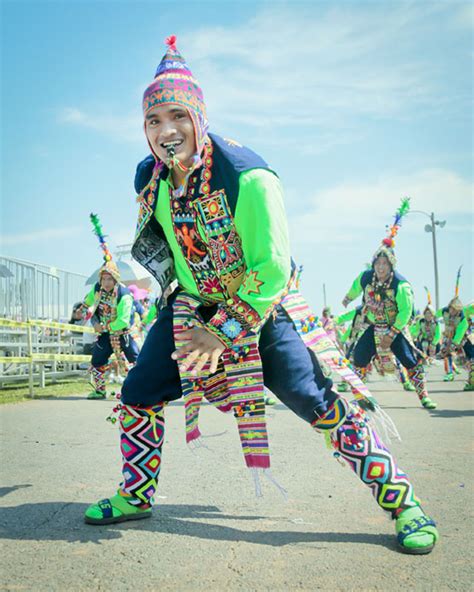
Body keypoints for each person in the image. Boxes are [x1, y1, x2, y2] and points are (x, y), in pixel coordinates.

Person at [84, 36, 438, 554]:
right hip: (192, 306)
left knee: (316, 399)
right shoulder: (151, 178)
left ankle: (402, 501)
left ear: (199, 117)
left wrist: (222, 330)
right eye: (153, 121)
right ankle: (137, 494)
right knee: (138, 391)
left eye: (177, 115)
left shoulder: (248, 176)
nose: (166, 131)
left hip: (261, 310)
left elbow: (271, 269)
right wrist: (187, 313)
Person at [342, 199, 437, 411]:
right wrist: (348, 297)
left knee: (409, 360)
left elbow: (405, 311)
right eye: (378, 263)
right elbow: (356, 286)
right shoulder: (367, 277)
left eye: (385, 264)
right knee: (359, 357)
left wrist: (392, 334)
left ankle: (423, 396)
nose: (381, 267)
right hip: (373, 326)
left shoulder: (401, 285)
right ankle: (361, 397)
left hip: (395, 328)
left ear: (391, 265)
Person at [83, 214, 140, 399]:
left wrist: (105, 326)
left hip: (122, 334)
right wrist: (93, 320)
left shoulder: (124, 294)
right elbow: (89, 305)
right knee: (97, 360)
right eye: (103, 278)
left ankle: (140, 390)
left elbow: (123, 320)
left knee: (135, 360)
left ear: (115, 279)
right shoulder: (97, 289)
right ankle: (99, 390)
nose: (106, 282)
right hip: (106, 334)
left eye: (109, 279)